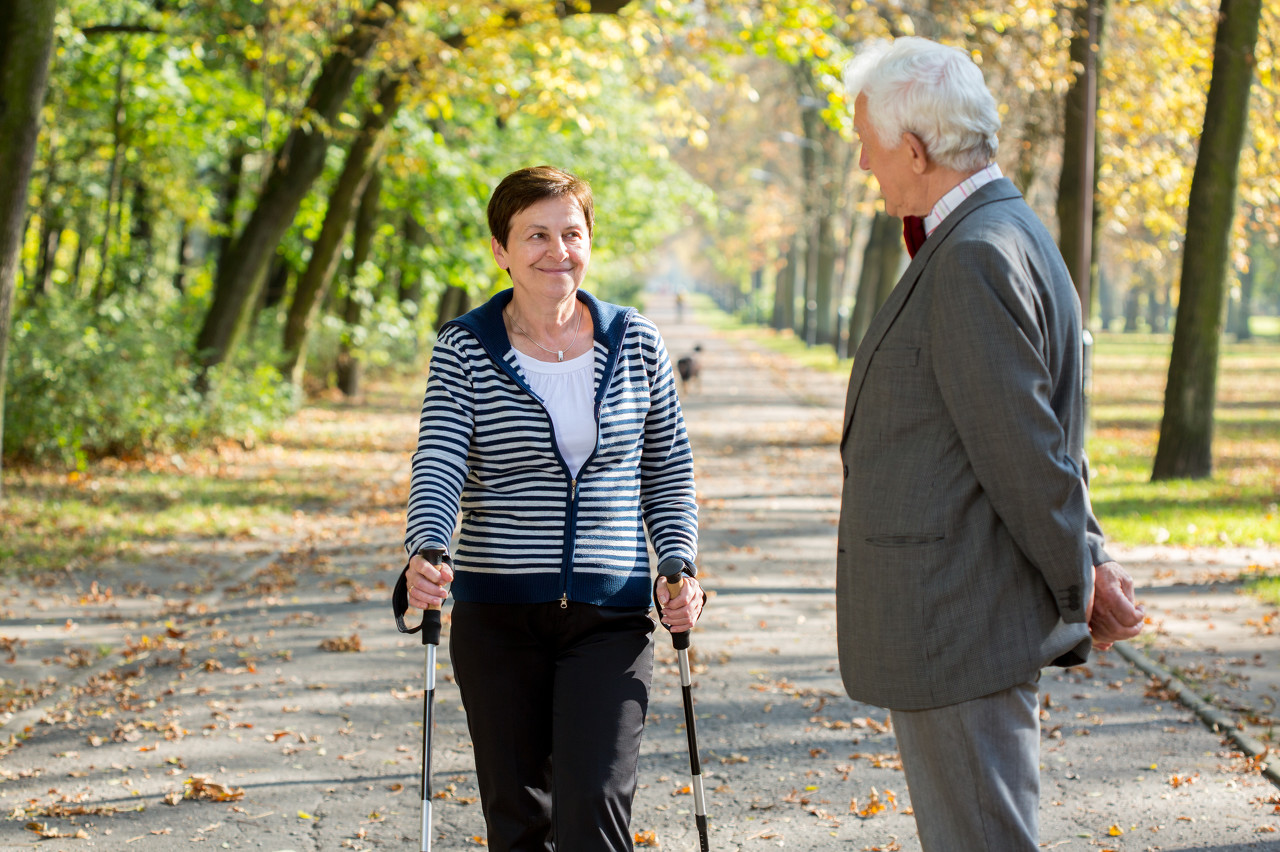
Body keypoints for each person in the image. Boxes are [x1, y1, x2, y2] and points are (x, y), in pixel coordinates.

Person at [836, 38, 1144, 850]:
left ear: (914, 147)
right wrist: (1092, 556)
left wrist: (1079, 580)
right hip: (959, 614)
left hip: (957, 620)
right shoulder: (1000, 230)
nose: (865, 164)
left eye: (868, 143)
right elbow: (1032, 430)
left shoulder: (973, 253)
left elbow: (1024, 452)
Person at [400, 165, 704, 852]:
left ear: (589, 240)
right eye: (535, 235)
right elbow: (440, 461)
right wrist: (426, 548)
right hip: (497, 615)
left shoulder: (638, 344)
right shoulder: (466, 348)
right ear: (501, 250)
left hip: (611, 615)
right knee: (518, 819)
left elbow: (668, 468)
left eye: (571, 232)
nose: (556, 251)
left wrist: (678, 562)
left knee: (595, 807)